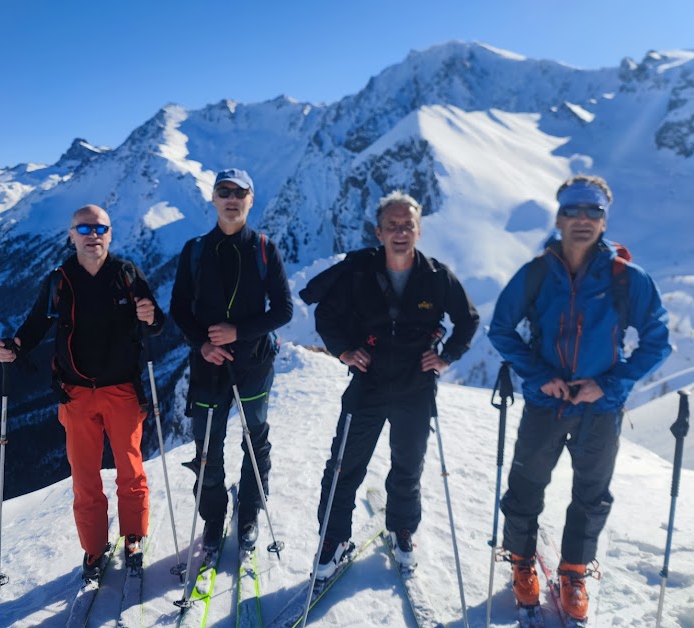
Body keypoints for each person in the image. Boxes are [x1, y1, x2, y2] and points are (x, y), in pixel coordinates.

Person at [488, 175, 671, 621]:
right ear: (559, 217)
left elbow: (658, 339)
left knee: (591, 494)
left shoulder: (626, 278)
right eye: (574, 210)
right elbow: (501, 330)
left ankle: (572, 571)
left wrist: (608, 385)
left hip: (601, 407)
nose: (583, 219)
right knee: (526, 486)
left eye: (594, 212)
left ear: (605, 221)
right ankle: (521, 562)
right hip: (546, 402)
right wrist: (539, 376)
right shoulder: (535, 273)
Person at [301, 191, 479, 578]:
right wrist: (344, 351)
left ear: (418, 230)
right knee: (344, 465)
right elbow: (327, 316)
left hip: (416, 386)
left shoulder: (437, 276)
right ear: (379, 232)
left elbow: (468, 320)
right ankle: (333, 539)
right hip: (368, 383)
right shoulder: (358, 272)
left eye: (408, 226)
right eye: (393, 226)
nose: (401, 232)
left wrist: (447, 356)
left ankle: (402, 528)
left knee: (408, 465)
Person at [0, 204, 164, 581]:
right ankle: (93, 547)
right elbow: (37, 322)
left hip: (122, 390)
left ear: (109, 234)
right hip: (75, 395)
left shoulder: (127, 275)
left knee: (130, 469)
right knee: (85, 477)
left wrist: (151, 318)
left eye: (99, 228)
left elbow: (156, 322)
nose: (92, 235)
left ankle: (133, 535)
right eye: (83, 229)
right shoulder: (59, 280)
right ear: (71, 236)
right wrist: (15, 346)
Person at [170, 168, 292, 552]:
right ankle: (213, 518)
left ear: (250, 200)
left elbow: (284, 310)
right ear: (213, 199)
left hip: (253, 362)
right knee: (207, 447)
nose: (232, 198)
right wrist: (202, 345)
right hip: (208, 366)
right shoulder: (194, 251)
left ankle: (250, 511)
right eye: (224, 191)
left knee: (255, 439)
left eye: (240, 192)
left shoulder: (264, 248)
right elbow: (178, 309)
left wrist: (238, 333)